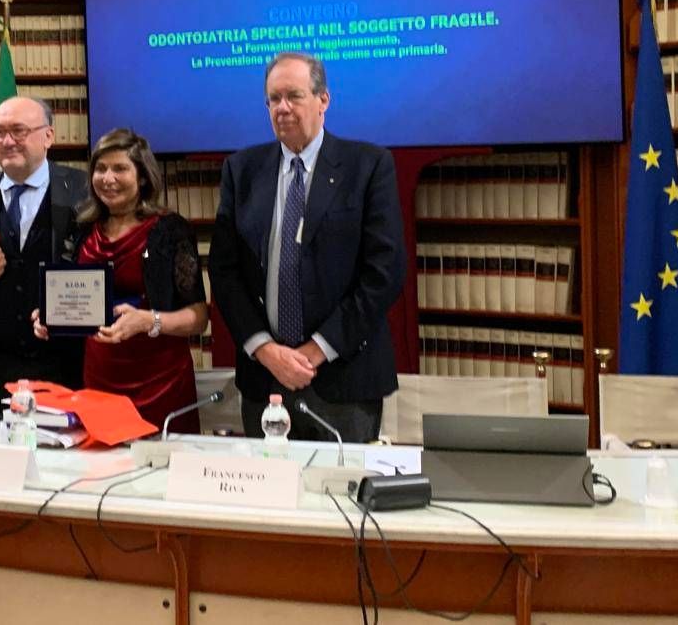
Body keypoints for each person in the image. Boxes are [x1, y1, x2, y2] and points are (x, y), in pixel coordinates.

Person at [208, 52, 406, 443]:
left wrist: (314, 351)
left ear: (323, 100)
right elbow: (225, 271)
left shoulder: (368, 166)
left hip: (343, 379)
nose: (282, 108)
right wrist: (266, 350)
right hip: (265, 379)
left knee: (341, 483)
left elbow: (383, 273)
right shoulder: (241, 170)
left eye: (293, 96)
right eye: (273, 99)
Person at [33, 129, 209, 433]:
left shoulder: (170, 230)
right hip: (99, 376)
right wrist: (49, 315)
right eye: (100, 169)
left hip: (160, 382)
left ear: (143, 177)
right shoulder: (81, 228)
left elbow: (199, 317)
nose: (108, 178)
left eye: (120, 168)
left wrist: (149, 321)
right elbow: (66, 290)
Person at [0, 96, 88, 413]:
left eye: (19, 131)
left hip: (66, 365)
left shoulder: (83, 190)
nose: (7, 141)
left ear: (48, 136)